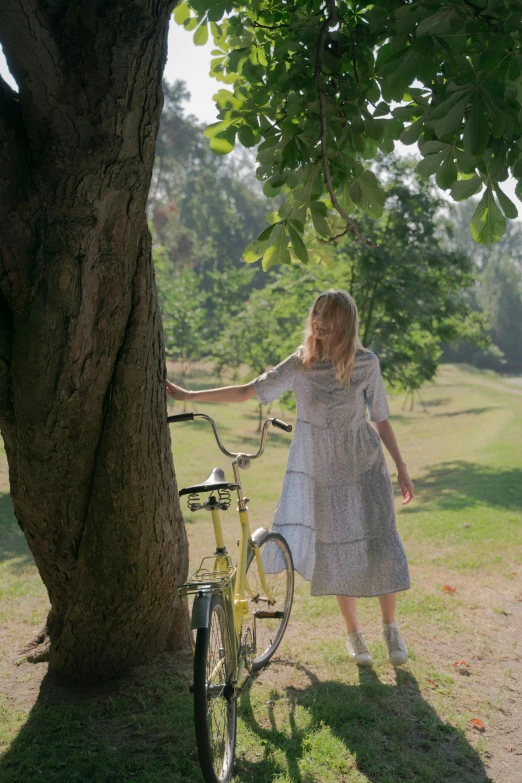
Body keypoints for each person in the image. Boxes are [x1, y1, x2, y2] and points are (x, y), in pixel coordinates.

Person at [166, 289, 414, 668]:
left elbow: (379, 417)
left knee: (380, 542)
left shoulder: (366, 363)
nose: (320, 321)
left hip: (365, 465)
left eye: (329, 315)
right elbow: (250, 390)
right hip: (324, 472)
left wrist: (401, 466)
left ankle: (390, 627)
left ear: (346, 321)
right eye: (317, 313)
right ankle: (354, 634)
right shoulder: (301, 364)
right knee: (335, 547)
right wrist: (190, 394)